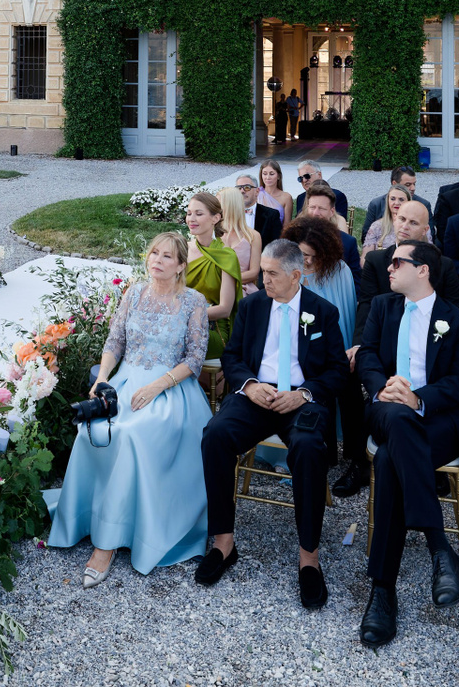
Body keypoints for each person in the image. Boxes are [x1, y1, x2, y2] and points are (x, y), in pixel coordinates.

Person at [47, 232, 213, 582]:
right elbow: (115, 342)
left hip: (171, 390)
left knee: (132, 434)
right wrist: (101, 378)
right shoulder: (134, 293)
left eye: (167, 256)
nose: (158, 260)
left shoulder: (194, 301)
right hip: (125, 383)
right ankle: (84, 518)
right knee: (93, 430)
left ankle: (107, 543)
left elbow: (195, 359)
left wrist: (157, 386)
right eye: (154, 253)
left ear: (181, 266)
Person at [195, 240, 347, 608]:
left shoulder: (323, 312)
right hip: (256, 395)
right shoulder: (252, 306)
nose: (263, 279)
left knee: (309, 448)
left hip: (300, 400)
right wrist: (249, 385)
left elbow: (338, 370)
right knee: (215, 435)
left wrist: (304, 393)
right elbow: (232, 356)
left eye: (272, 273)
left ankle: (309, 557)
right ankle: (223, 542)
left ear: (296, 275)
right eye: (263, 271)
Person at [357, 240, 459, 645]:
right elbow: (367, 356)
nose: (388, 267)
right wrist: (384, 388)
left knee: (390, 460)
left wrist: (419, 399)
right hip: (385, 408)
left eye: (397, 262)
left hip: (435, 421)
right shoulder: (383, 307)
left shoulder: (458, 322)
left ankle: (382, 592)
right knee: (397, 422)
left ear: (423, 270)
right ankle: (439, 546)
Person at [285, 214, 362, 495]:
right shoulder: (287, 270)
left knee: (349, 389)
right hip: (299, 351)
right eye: (300, 253)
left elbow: (347, 311)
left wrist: (344, 353)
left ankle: (356, 454)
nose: (305, 260)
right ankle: (324, 453)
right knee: (315, 390)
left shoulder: (338, 270)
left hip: (335, 345)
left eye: (311, 255)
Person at [354, 204, 459, 339]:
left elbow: (453, 307)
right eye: (402, 219)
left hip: (429, 336)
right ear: (394, 220)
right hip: (383, 335)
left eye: (413, 223)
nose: (405, 226)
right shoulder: (375, 261)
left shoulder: (443, 265)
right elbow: (366, 304)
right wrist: (359, 343)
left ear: (425, 230)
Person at [184, 191, 241, 359]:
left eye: (198, 213)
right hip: (178, 321)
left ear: (215, 218)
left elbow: (225, 309)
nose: (191, 219)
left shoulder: (226, 256)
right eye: (189, 213)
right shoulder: (182, 249)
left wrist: (184, 316)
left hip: (212, 326)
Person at [362, 168, 429, 247]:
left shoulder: (423, 205)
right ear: (394, 183)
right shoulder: (376, 206)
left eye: (414, 184)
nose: (413, 188)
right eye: (408, 185)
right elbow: (365, 239)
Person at [217, 187, 262, 288]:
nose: (215, 209)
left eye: (219, 204)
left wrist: (226, 283)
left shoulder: (253, 236)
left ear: (230, 206)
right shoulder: (213, 233)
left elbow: (254, 272)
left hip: (243, 289)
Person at [234, 174, 285, 253]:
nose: (242, 191)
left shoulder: (271, 215)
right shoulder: (228, 214)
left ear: (257, 191)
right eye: (239, 188)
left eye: (247, 187)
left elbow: (277, 246)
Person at [361, 185, 410, 253]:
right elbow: (365, 256)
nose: (396, 203)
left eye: (401, 199)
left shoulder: (415, 226)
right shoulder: (377, 226)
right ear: (388, 201)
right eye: (392, 199)